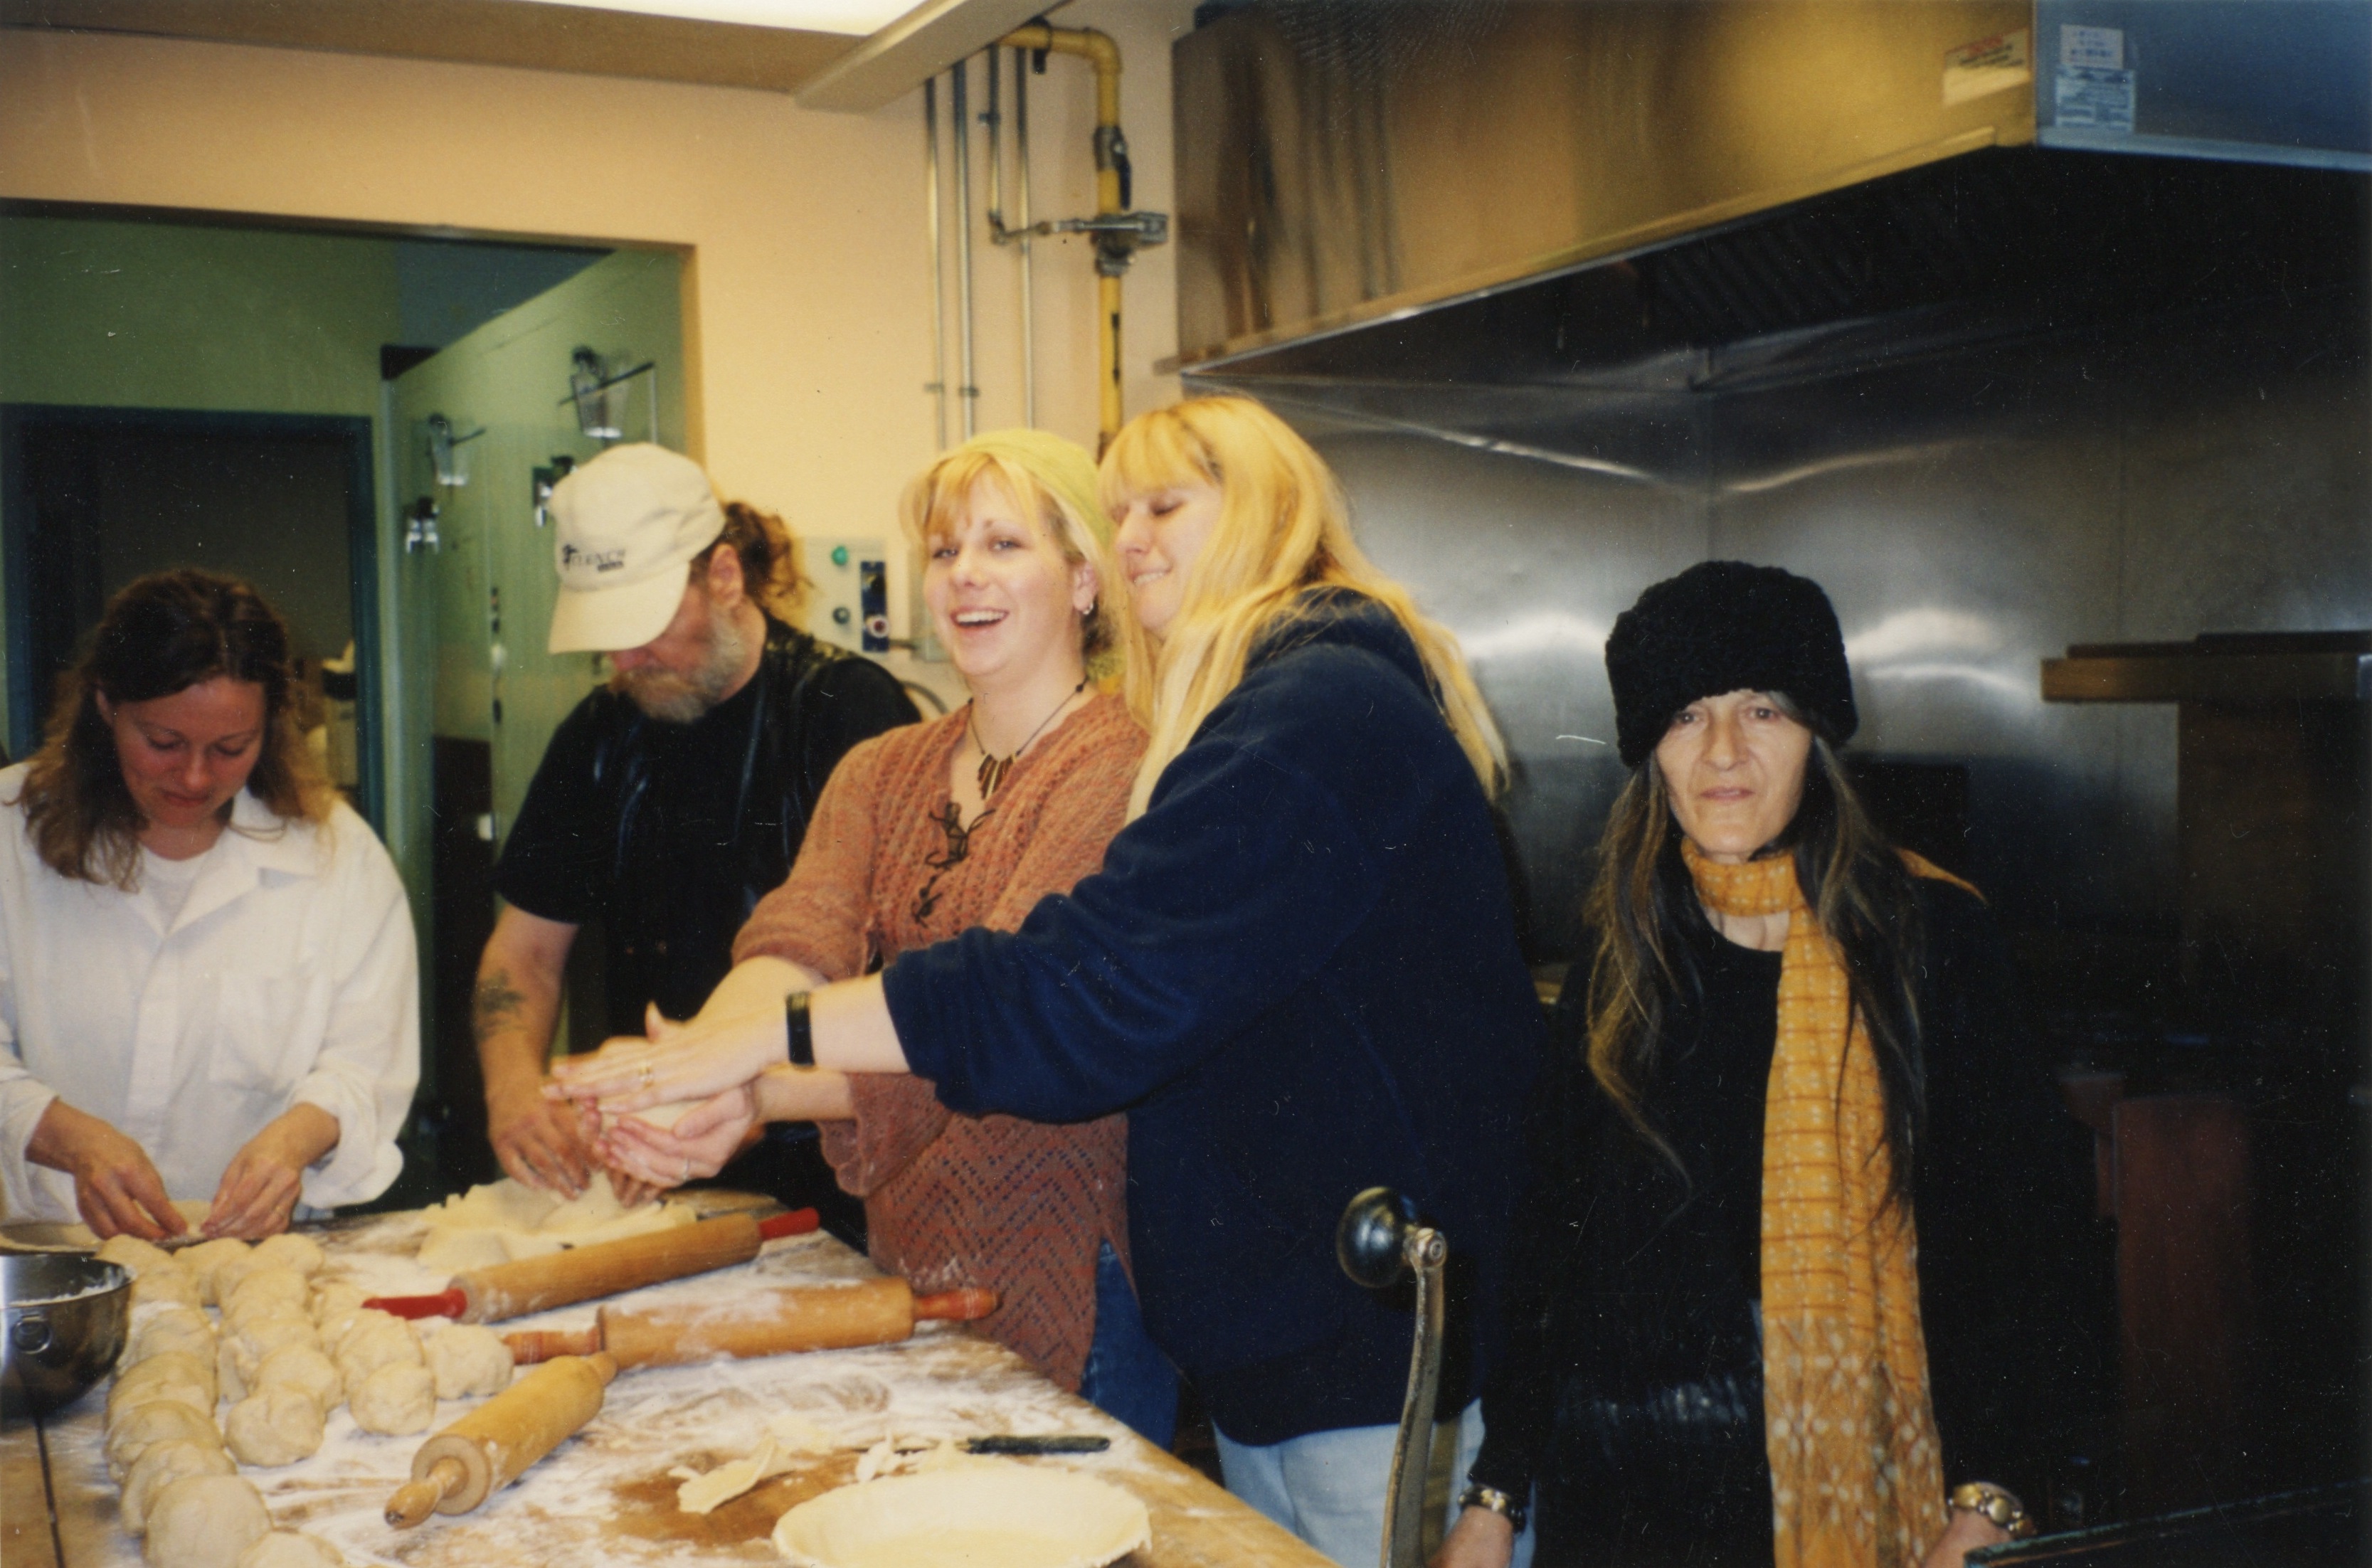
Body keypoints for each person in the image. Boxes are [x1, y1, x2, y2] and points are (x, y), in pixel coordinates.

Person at [554, 395, 1544, 1566]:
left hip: (1353, 1349)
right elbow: (808, 927)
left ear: (1265, 514)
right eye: (1116, 507)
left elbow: (1071, 995)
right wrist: (715, 1065)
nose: (1130, 536)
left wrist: (761, 1056)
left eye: (1162, 505)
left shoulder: (1297, 718)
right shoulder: (1249, 712)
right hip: (1281, 1345)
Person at [1437, 562, 2094, 1568]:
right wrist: (1494, 1492)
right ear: (1648, 745)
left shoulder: (1929, 940)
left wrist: (1992, 1495)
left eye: (1762, 711)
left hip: (1846, 1505)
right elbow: (1549, 1243)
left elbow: (2022, 1246)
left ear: (1817, 734)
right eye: (1687, 715)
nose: (1725, 754)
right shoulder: (1624, 950)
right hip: (1617, 1503)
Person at [598, 428, 1175, 1442]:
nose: (964, 577)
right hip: (907, 1245)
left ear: (1085, 578)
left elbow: (983, 1028)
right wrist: (688, 1072)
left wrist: (755, 1082)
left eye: (1003, 545)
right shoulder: (882, 768)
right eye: (946, 550)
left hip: (1074, 1267)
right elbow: (790, 945)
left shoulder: (1122, 766)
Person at [473, 443, 916, 1217]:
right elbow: (524, 953)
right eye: (604, 635)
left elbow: (902, 981)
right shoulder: (601, 735)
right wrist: (513, 1088)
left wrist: (748, 1098)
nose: (624, 655)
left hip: (830, 1165)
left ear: (723, 575)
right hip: (656, 1160)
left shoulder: (845, 712)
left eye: (644, 625)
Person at [0, 569, 418, 1239]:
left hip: (255, 1253)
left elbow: (366, 1064)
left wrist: (293, 1142)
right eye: (163, 743)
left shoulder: (339, 860)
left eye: (231, 748)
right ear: (106, 703)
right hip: (43, 1250)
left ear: (272, 726)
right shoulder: (9, 835)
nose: (194, 777)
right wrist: (67, 1138)